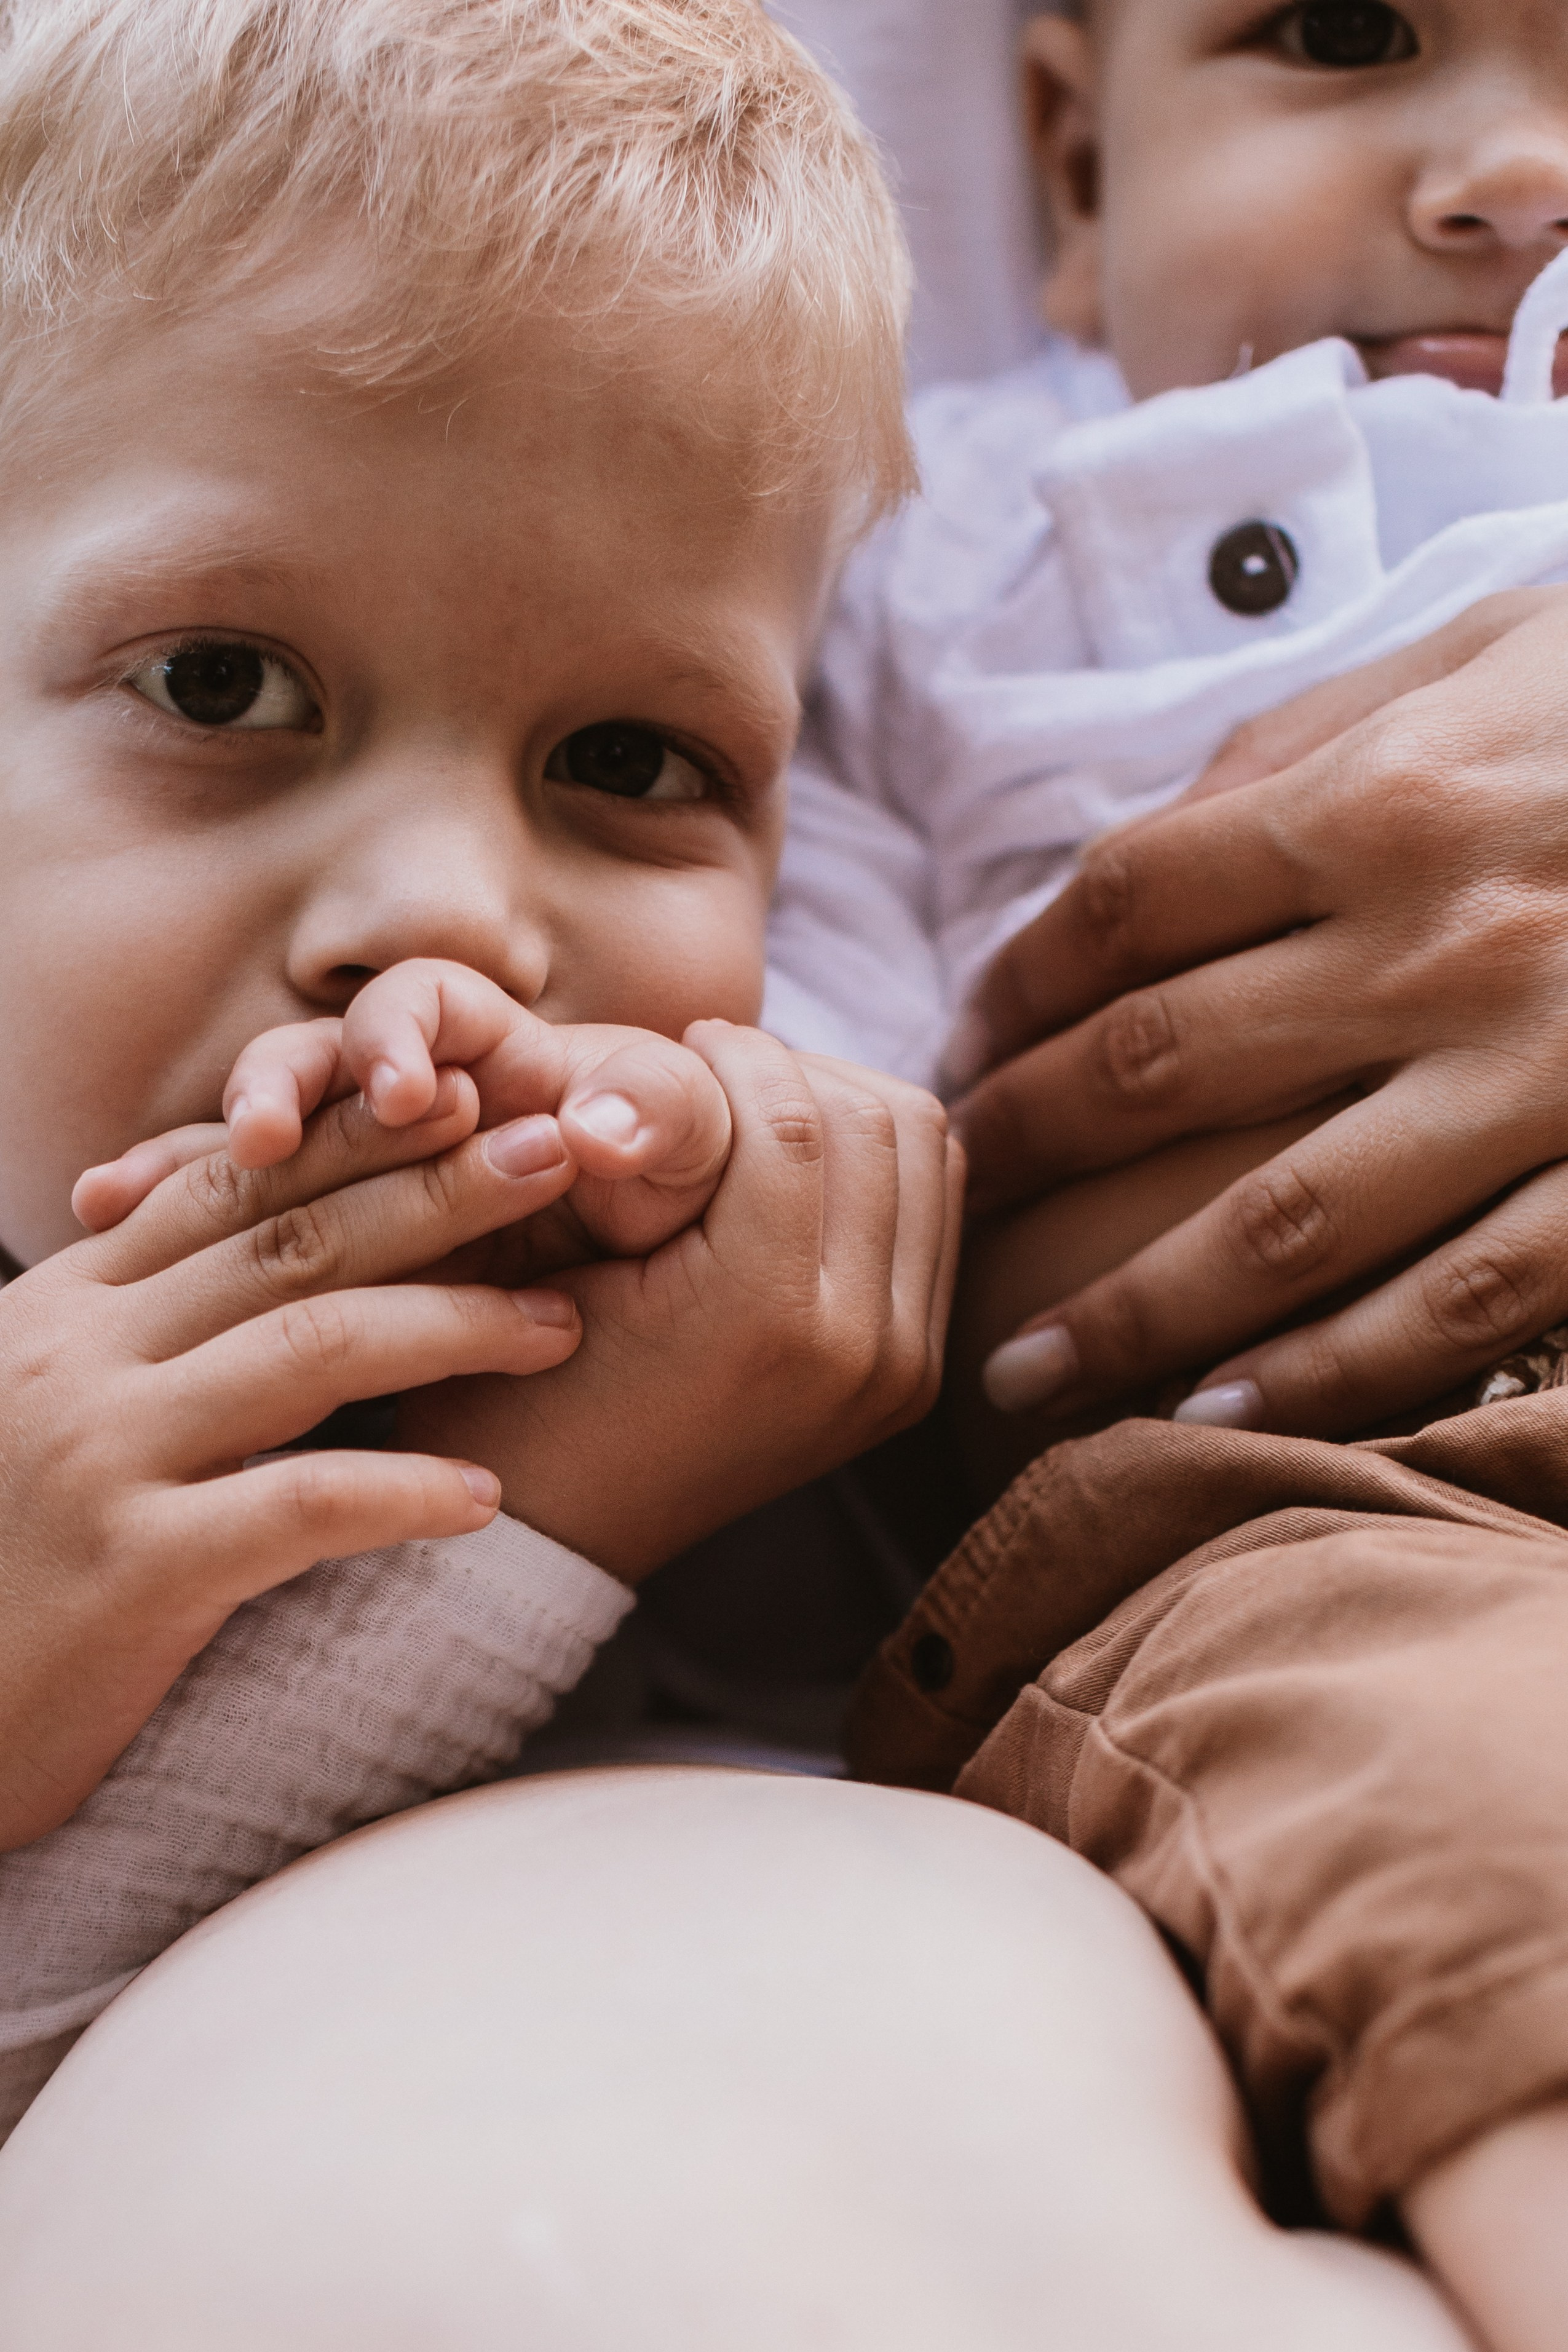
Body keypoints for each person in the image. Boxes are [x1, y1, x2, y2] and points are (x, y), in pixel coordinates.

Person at [0, 0, 961, 2133]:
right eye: (222, 683)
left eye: (631, 762)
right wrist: (541, 1529)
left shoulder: (730, 1310)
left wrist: (738, 1384)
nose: (442, 916)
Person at [796, 4, 1568, 2345]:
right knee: (1487, 1822)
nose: (1515, 177)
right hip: (1301, 1528)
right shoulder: (904, 557)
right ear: (1077, 171)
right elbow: (767, 985)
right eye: (1340, 31)